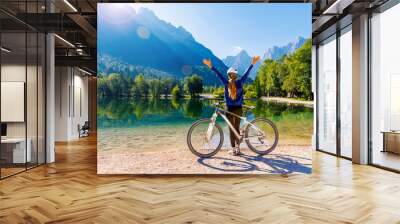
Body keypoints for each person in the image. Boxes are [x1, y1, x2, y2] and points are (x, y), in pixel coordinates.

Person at [203, 56, 260, 155]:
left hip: (229, 109)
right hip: (239, 108)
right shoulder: (240, 83)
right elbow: (247, 73)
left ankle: (234, 149)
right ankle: (238, 149)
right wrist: (252, 63)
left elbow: (218, 75)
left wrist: (211, 66)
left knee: (231, 129)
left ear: (229, 75)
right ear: (236, 76)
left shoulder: (226, 83)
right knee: (237, 128)